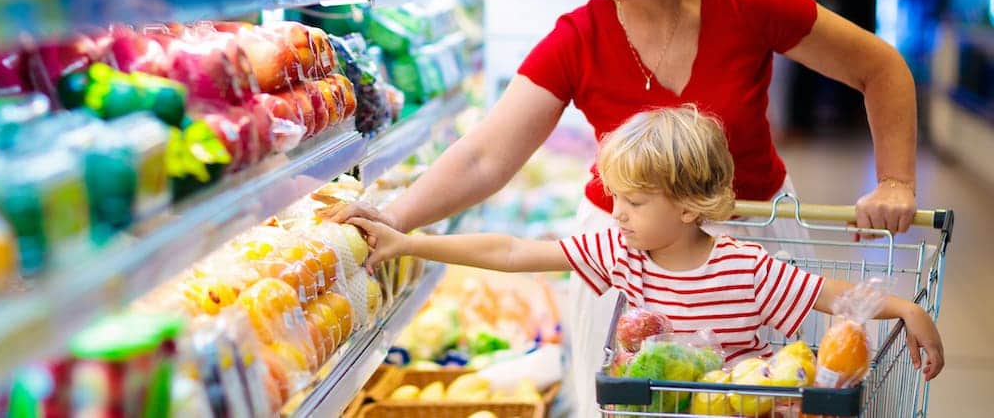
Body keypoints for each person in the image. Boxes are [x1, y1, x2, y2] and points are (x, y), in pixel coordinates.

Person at [322, 0, 920, 413]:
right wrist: (395, 219)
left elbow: (880, 67)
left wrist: (896, 180)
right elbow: (485, 157)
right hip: (629, 255)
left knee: (763, 399)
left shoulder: (745, 3)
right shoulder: (579, 37)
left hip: (753, 248)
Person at [347, 106, 945, 384]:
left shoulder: (746, 268)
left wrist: (906, 308)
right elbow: (511, 252)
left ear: (688, 207)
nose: (617, 213)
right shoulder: (619, 251)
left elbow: (831, 296)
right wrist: (410, 242)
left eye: (633, 202)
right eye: (616, 199)